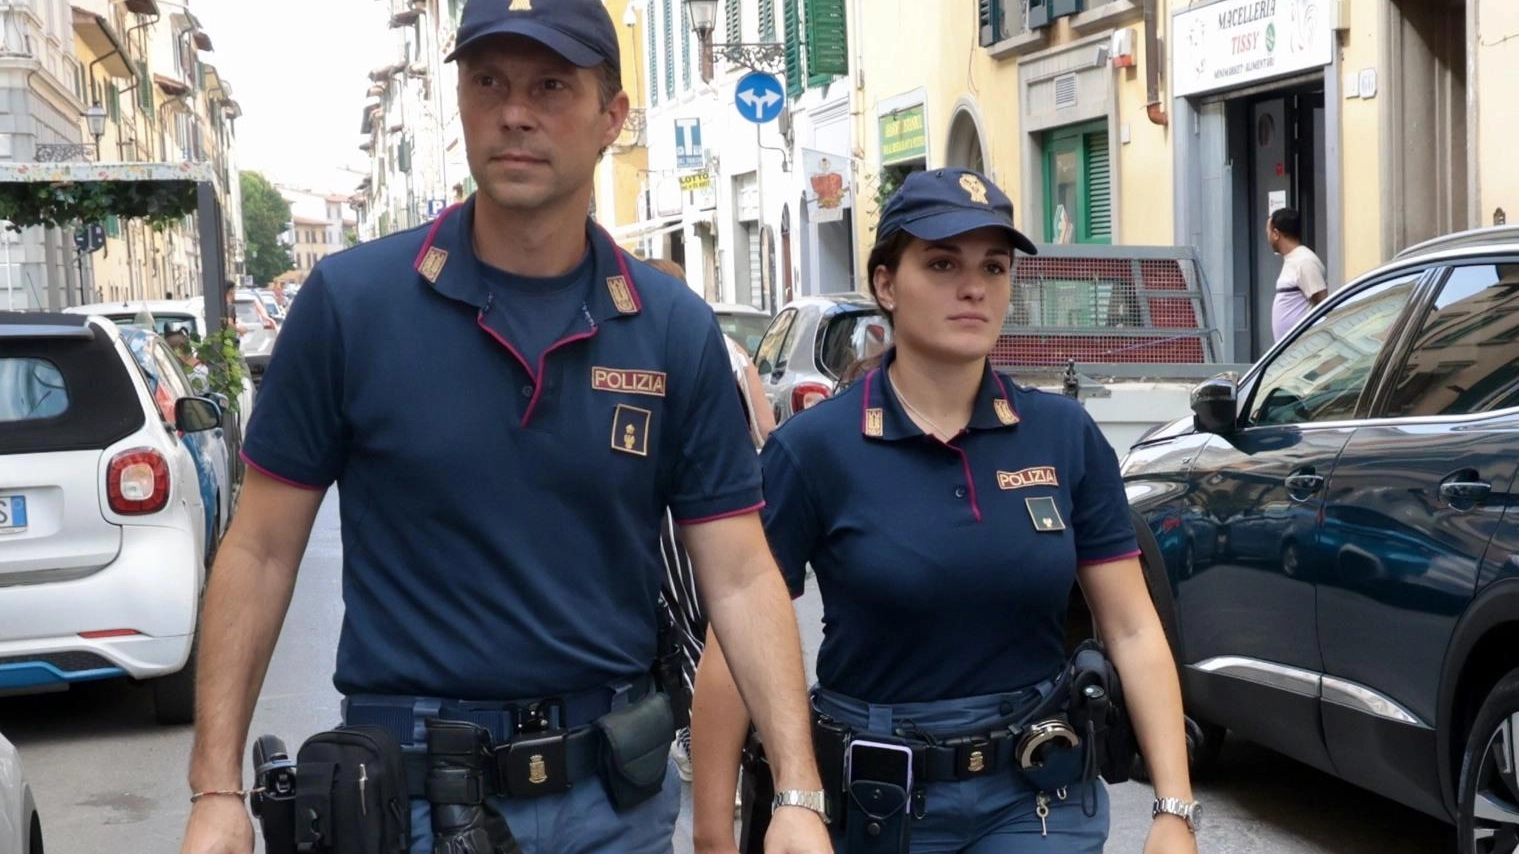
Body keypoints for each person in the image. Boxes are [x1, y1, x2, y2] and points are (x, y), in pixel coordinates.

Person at [176, 2, 831, 854]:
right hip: (412, 804)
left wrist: (795, 793)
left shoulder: (668, 324)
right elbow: (260, 551)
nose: (515, 112)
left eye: (552, 85)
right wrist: (215, 786)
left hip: (613, 805)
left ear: (611, 117)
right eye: (489, 82)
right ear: (459, 100)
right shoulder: (351, 304)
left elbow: (741, 576)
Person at [690, 168, 1199, 854]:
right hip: (878, 803)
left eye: (993, 266)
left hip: (1037, 797)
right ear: (885, 284)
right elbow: (737, 631)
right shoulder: (813, 448)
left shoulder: (1063, 435)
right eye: (940, 263)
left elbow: (1133, 629)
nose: (973, 286)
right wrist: (713, 832)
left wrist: (1173, 809)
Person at [639, 258, 776, 793]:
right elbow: (766, 428)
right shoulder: (734, 353)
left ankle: (708, 743)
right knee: (724, 619)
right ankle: (743, 738)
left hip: (675, 508)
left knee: (684, 625)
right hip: (735, 499)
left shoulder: (647, 350)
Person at [1267, 207, 1328, 342]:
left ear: (1276, 234)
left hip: (1304, 352)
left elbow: (1323, 304)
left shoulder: (1305, 261)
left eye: (1268, 232)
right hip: (1290, 352)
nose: (1268, 238)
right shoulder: (1292, 259)